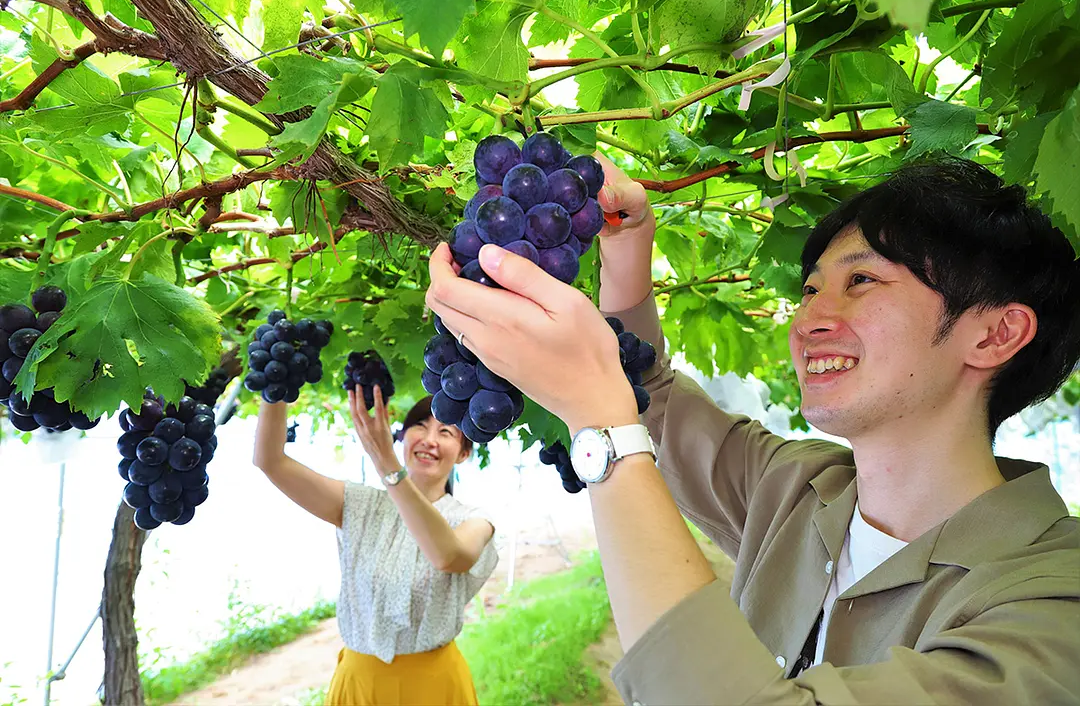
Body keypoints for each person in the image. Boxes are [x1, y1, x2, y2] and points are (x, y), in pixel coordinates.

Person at [425, 156, 1080, 705]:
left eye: (861, 280)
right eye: (810, 291)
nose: (809, 321)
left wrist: (599, 423)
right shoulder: (796, 487)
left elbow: (619, 407)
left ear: (995, 334)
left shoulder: (1054, 601)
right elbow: (650, 399)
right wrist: (625, 243)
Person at [253, 386, 498, 706]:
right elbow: (270, 461)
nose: (430, 440)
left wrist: (387, 465)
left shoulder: (475, 520)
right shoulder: (360, 504)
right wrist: (276, 379)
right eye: (420, 426)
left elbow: (448, 556)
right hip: (358, 685)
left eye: (446, 432)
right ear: (403, 437)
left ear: (463, 453)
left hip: (434, 687)